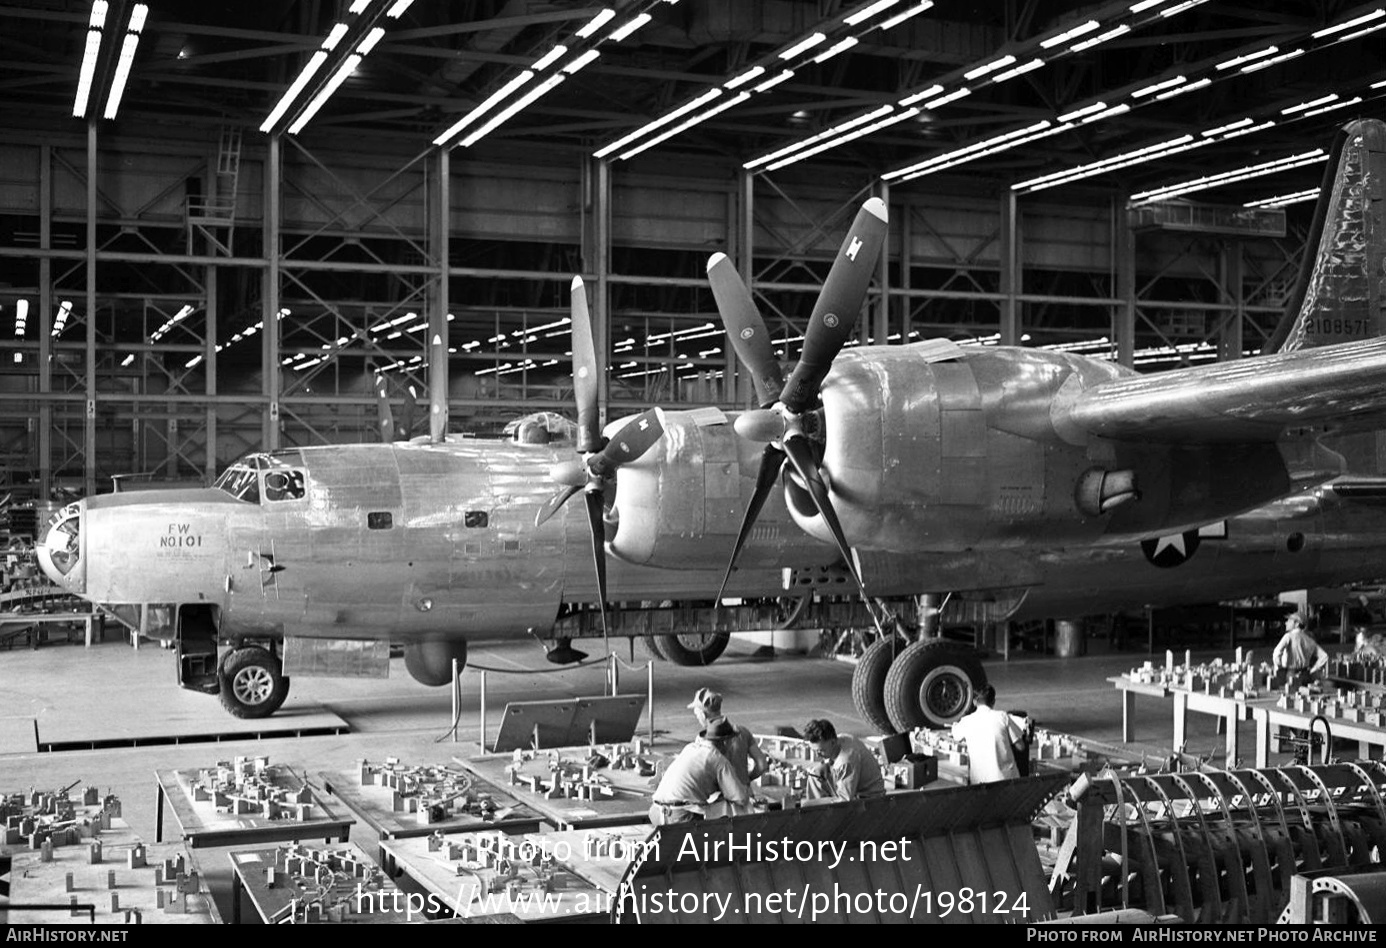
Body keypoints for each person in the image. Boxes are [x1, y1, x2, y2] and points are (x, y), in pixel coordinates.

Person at [648, 719, 752, 825]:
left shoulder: (690, 748)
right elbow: (740, 798)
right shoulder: (718, 759)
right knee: (729, 811)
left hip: (656, 811)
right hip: (680, 815)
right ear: (725, 742)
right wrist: (745, 788)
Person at [687, 687, 768, 787]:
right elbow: (762, 764)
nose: (697, 718)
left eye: (697, 714)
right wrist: (746, 780)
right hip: (744, 794)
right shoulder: (742, 732)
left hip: (718, 798)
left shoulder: (702, 740)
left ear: (703, 715)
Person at [950, 684, 1026, 784]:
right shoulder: (1002, 716)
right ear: (993, 701)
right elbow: (1021, 746)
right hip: (1006, 780)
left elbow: (955, 735)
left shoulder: (966, 721)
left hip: (979, 782)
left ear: (974, 702)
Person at [801, 718, 886, 802]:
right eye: (814, 751)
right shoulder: (842, 738)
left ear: (833, 742)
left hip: (869, 800)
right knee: (815, 774)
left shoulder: (845, 761)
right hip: (855, 790)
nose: (817, 755)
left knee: (811, 804)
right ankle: (816, 811)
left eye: (820, 751)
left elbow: (844, 801)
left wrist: (819, 804)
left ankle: (818, 812)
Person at [1273, 612, 1329, 688]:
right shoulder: (1309, 640)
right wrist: (1313, 670)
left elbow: (1277, 652)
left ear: (1297, 623)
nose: (1286, 623)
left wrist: (1279, 667)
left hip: (1291, 674)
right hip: (1305, 675)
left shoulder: (1288, 637)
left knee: (1290, 693)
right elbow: (1324, 656)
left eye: (1289, 620)